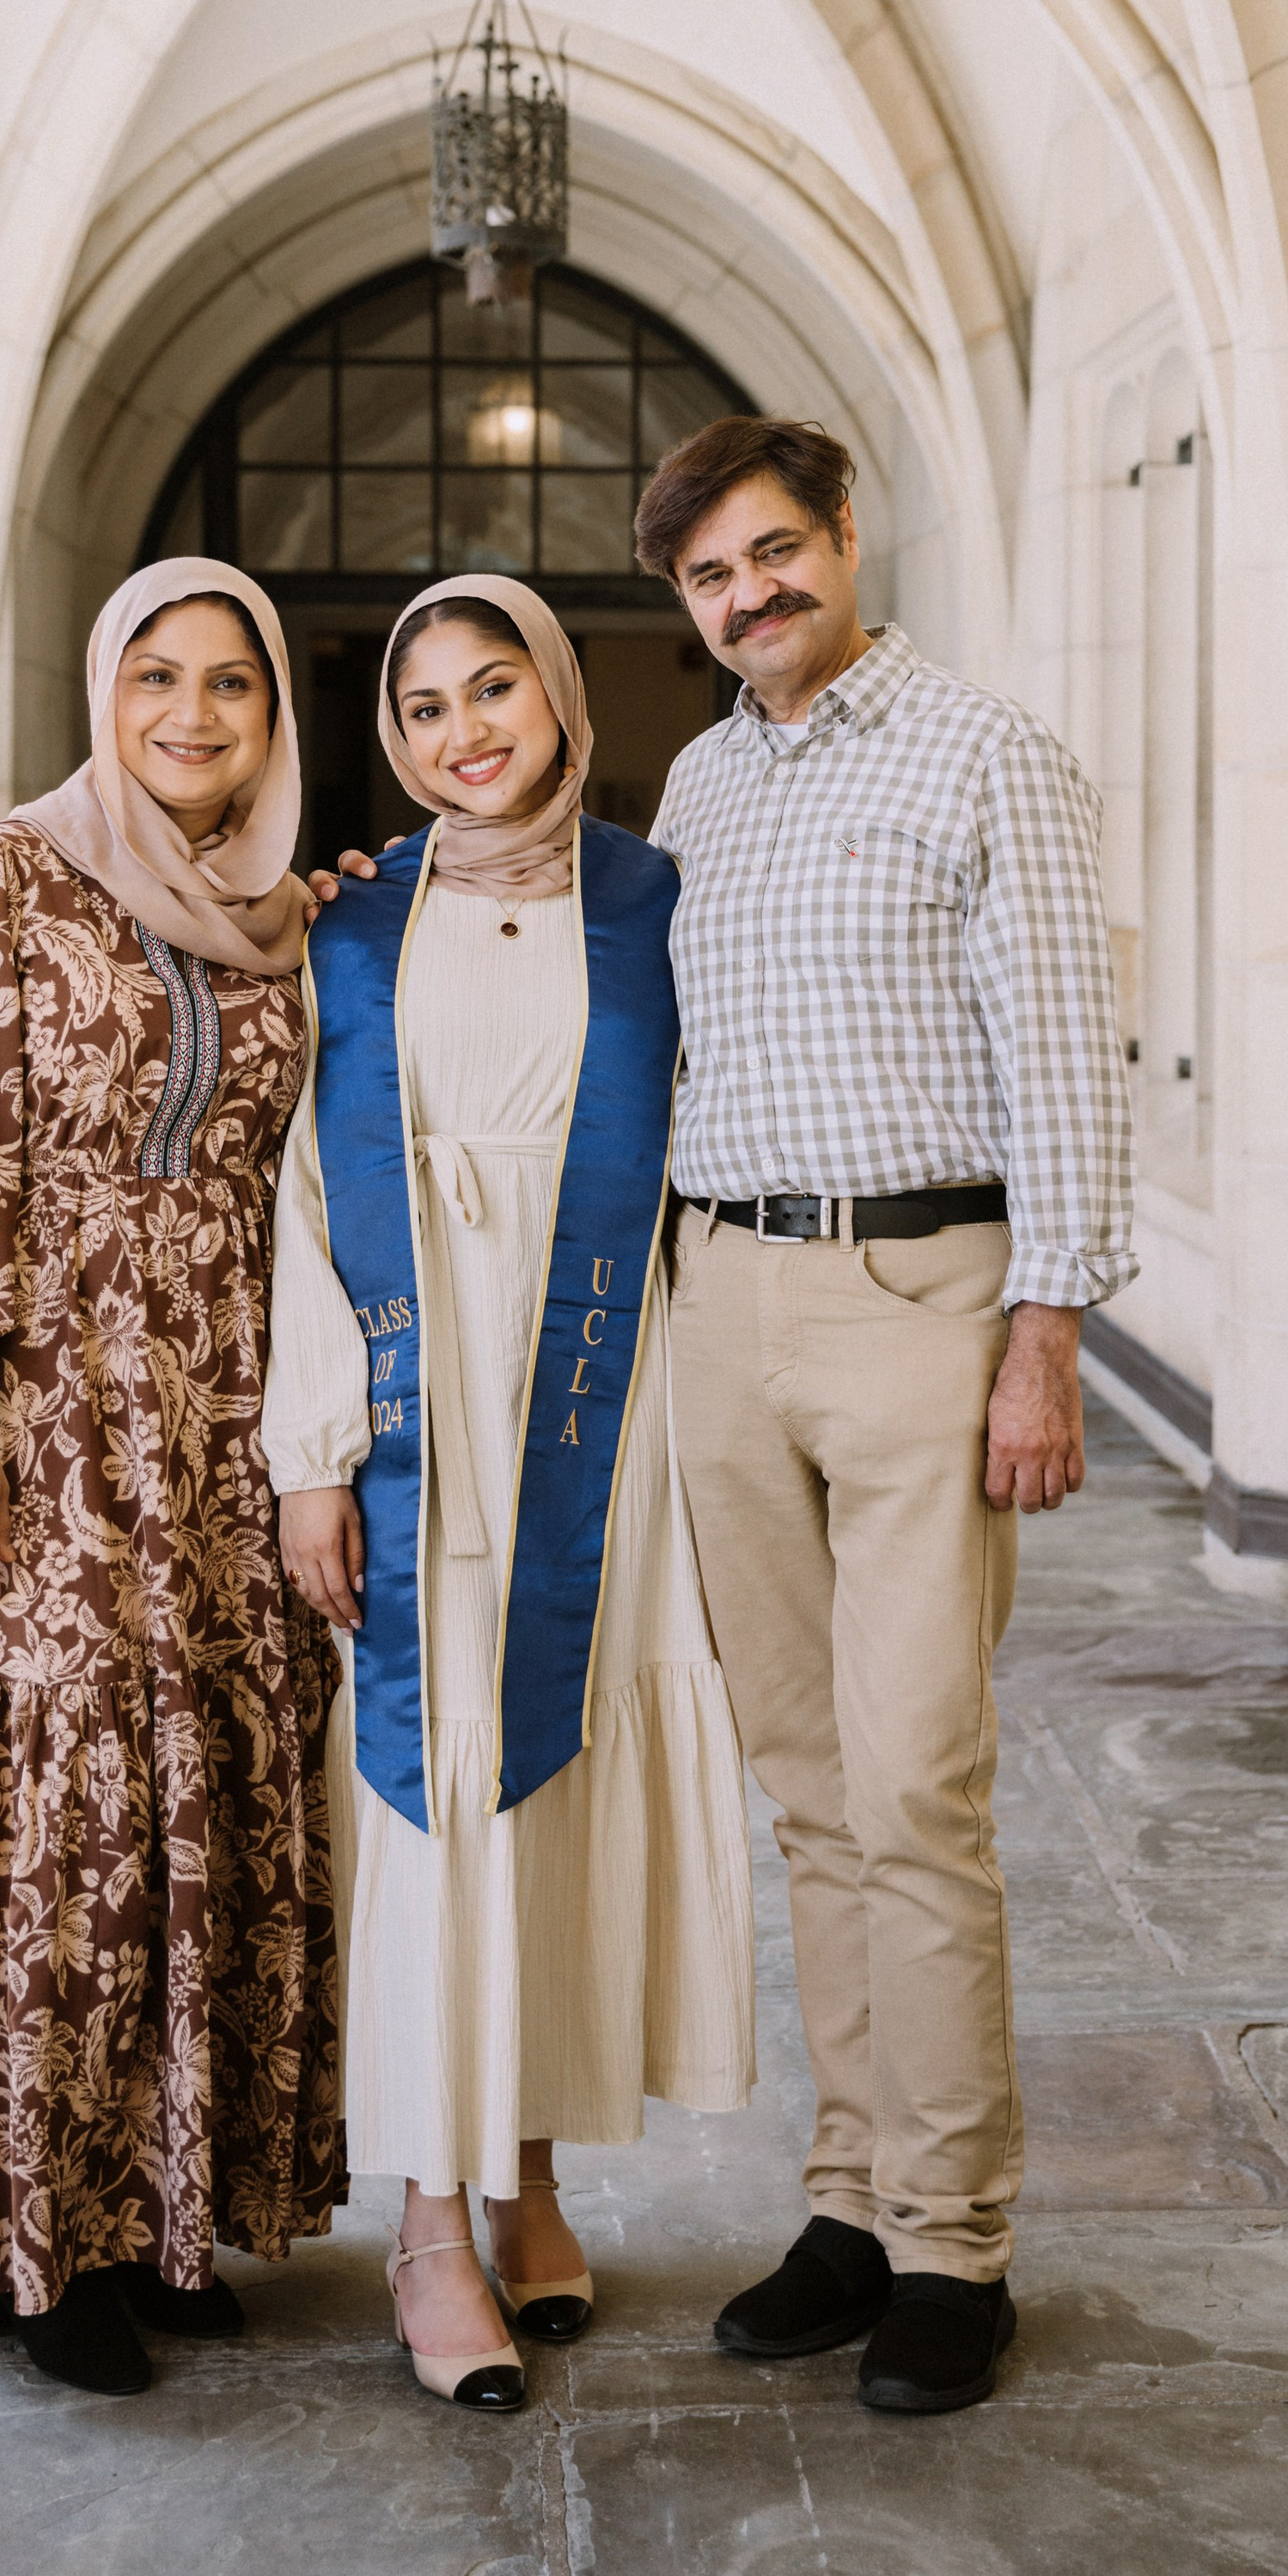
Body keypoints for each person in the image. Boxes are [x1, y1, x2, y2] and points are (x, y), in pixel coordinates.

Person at [635, 414, 1135, 2417]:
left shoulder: (984, 752)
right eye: (707, 577)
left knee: (915, 1784)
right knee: (808, 1793)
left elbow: (1066, 1058)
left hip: (923, 1302)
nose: (746, 595)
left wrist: (1044, 1336)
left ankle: (951, 2242)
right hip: (721, 1301)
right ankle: (846, 2204)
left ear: (844, 534)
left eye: (771, 552)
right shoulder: (697, 782)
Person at [0, 557, 346, 2399]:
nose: (193, 715)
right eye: (157, 677)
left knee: (200, 1783)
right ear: (102, 696)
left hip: (227, 1409)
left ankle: (162, 2209)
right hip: (50, 1409)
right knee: (64, 1804)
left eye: (231, 683)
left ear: (272, 717)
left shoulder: (288, 916)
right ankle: (38, 2240)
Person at [265, 577, 755, 2413]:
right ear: (390, 739)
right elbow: (298, 1197)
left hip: (598, 1398)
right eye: (424, 705)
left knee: (558, 1770)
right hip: (420, 1403)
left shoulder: (654, 901)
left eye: (494, 689)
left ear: (557, 695)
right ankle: (424, 2223)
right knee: (431, 1784)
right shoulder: (346, 922)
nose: (464, 730)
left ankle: (530, 2169)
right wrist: (315, 1452)